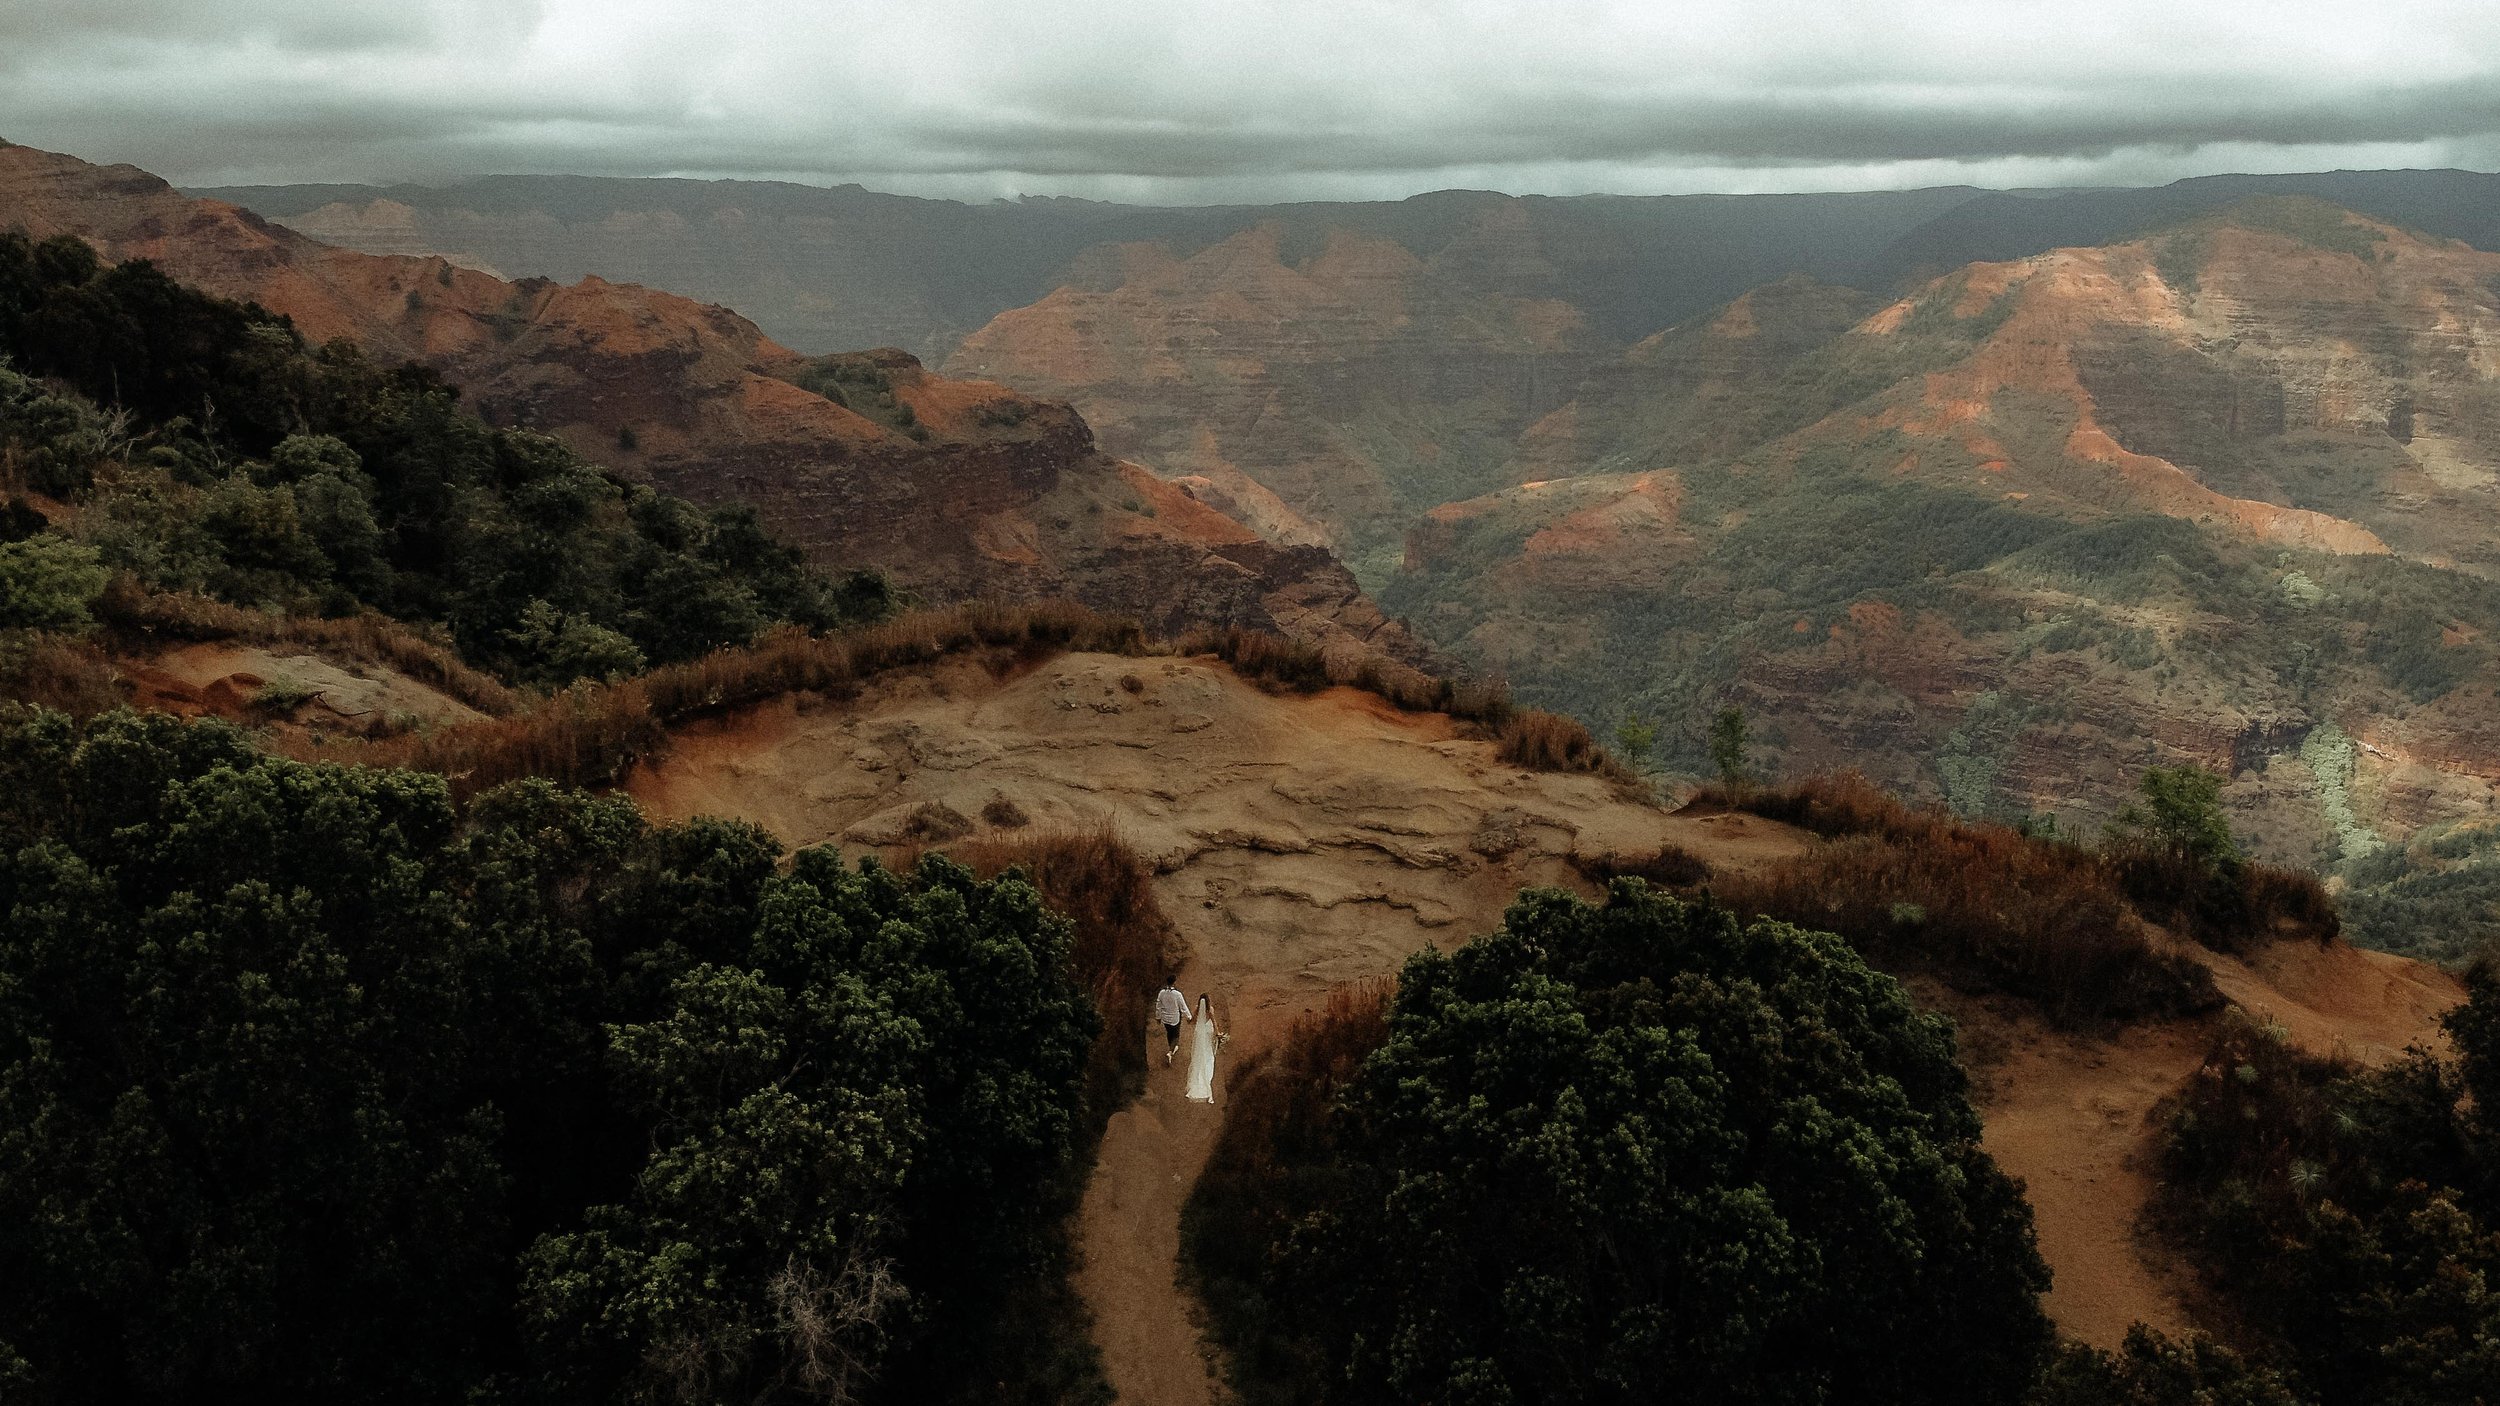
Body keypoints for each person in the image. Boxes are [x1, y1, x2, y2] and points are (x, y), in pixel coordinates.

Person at [1185, 992, 1220, 1103]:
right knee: (1207, 1049)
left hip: (1199, 1031)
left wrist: (1188, 1020)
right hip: (1207, 1030)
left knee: (1197, 1050)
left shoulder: (1196, 1008)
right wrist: (1218, 1033)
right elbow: (1213, 1022)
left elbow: (1193, 1021)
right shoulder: (1210, 1009)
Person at [1155, 975, 1193, 1066]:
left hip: (1165, 1018)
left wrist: (1158, 1017)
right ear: (1174, 982)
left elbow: (1158, 1006)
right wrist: (1189, 1017)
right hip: (1175, 1018)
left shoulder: (1161, 993)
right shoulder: (1177, 994)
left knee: (1169, 1033)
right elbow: (1183, 1007)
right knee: (1176, 1035)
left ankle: (1171, 1048)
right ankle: (1170, 1052)